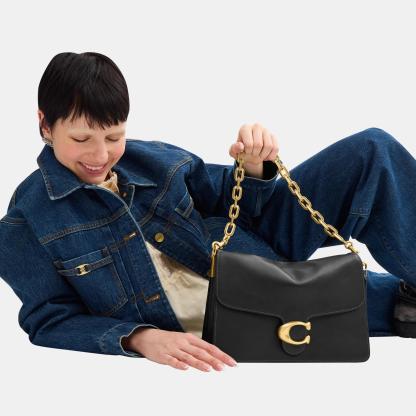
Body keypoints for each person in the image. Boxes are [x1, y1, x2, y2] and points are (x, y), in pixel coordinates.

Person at [1, 52, 415, 373]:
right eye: (81, 139)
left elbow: (241, 205)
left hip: (256, 256)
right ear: (45, 124)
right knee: (402, 308)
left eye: (114, 137)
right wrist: (139, 338)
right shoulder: (26, 222)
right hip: (238, 315)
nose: (100, 155)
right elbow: (50, 320)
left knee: (372, 149)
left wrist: (253, 164)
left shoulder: (155, 161)